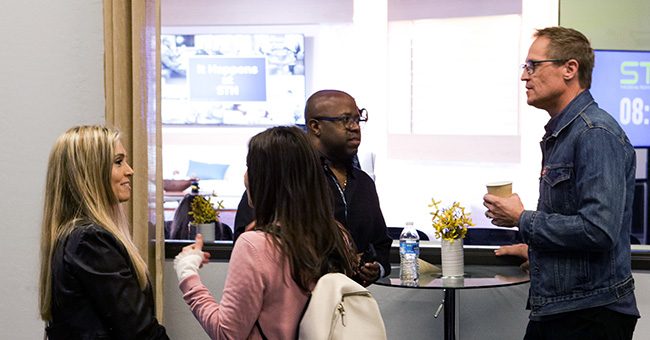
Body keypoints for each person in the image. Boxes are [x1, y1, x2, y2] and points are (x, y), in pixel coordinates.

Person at [483, 27, 639, 339]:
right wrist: (539, 252)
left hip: (590, 313)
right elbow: (577, 225)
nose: (524, 77)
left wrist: (521, 219)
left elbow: (598, 230)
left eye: (533, 66)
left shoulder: (595, 133)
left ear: (570, 69)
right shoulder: (566, 134)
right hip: (570, 308)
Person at [173, 126, 359, 339]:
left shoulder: (254, 245)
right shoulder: (337, 236)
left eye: (249, 166)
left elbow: (227, 334)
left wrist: (187, 272)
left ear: (267, 179)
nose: (245, 176)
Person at [233, 89, 393, 285]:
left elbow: (381, 244)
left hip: (349, 304)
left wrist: (376, 268)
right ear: (315, 126)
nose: (355, 127)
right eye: (345, 120)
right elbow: (249, 240)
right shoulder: (286, 178)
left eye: (357, 119)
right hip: (295, 302)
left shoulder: (363, 182)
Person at [38, 125, 169, 339]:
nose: (130, 170)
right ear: (89, 171)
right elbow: (140, 332)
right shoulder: (89, 241)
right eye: (118, 162)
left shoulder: (76, 237)